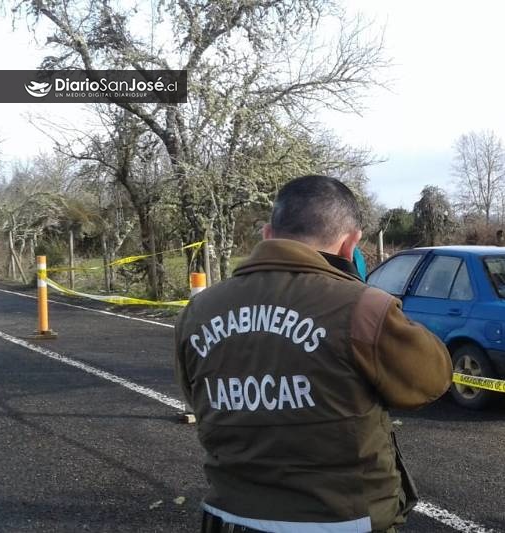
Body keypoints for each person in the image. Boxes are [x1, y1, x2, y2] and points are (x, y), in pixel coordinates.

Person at [174, 175, 453, 533]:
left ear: (266, 234)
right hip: (343, 520)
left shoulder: (198, 311)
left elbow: (195, 396)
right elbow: (431, 379)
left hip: (230, 517)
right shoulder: (364, 308)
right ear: (351, 244)